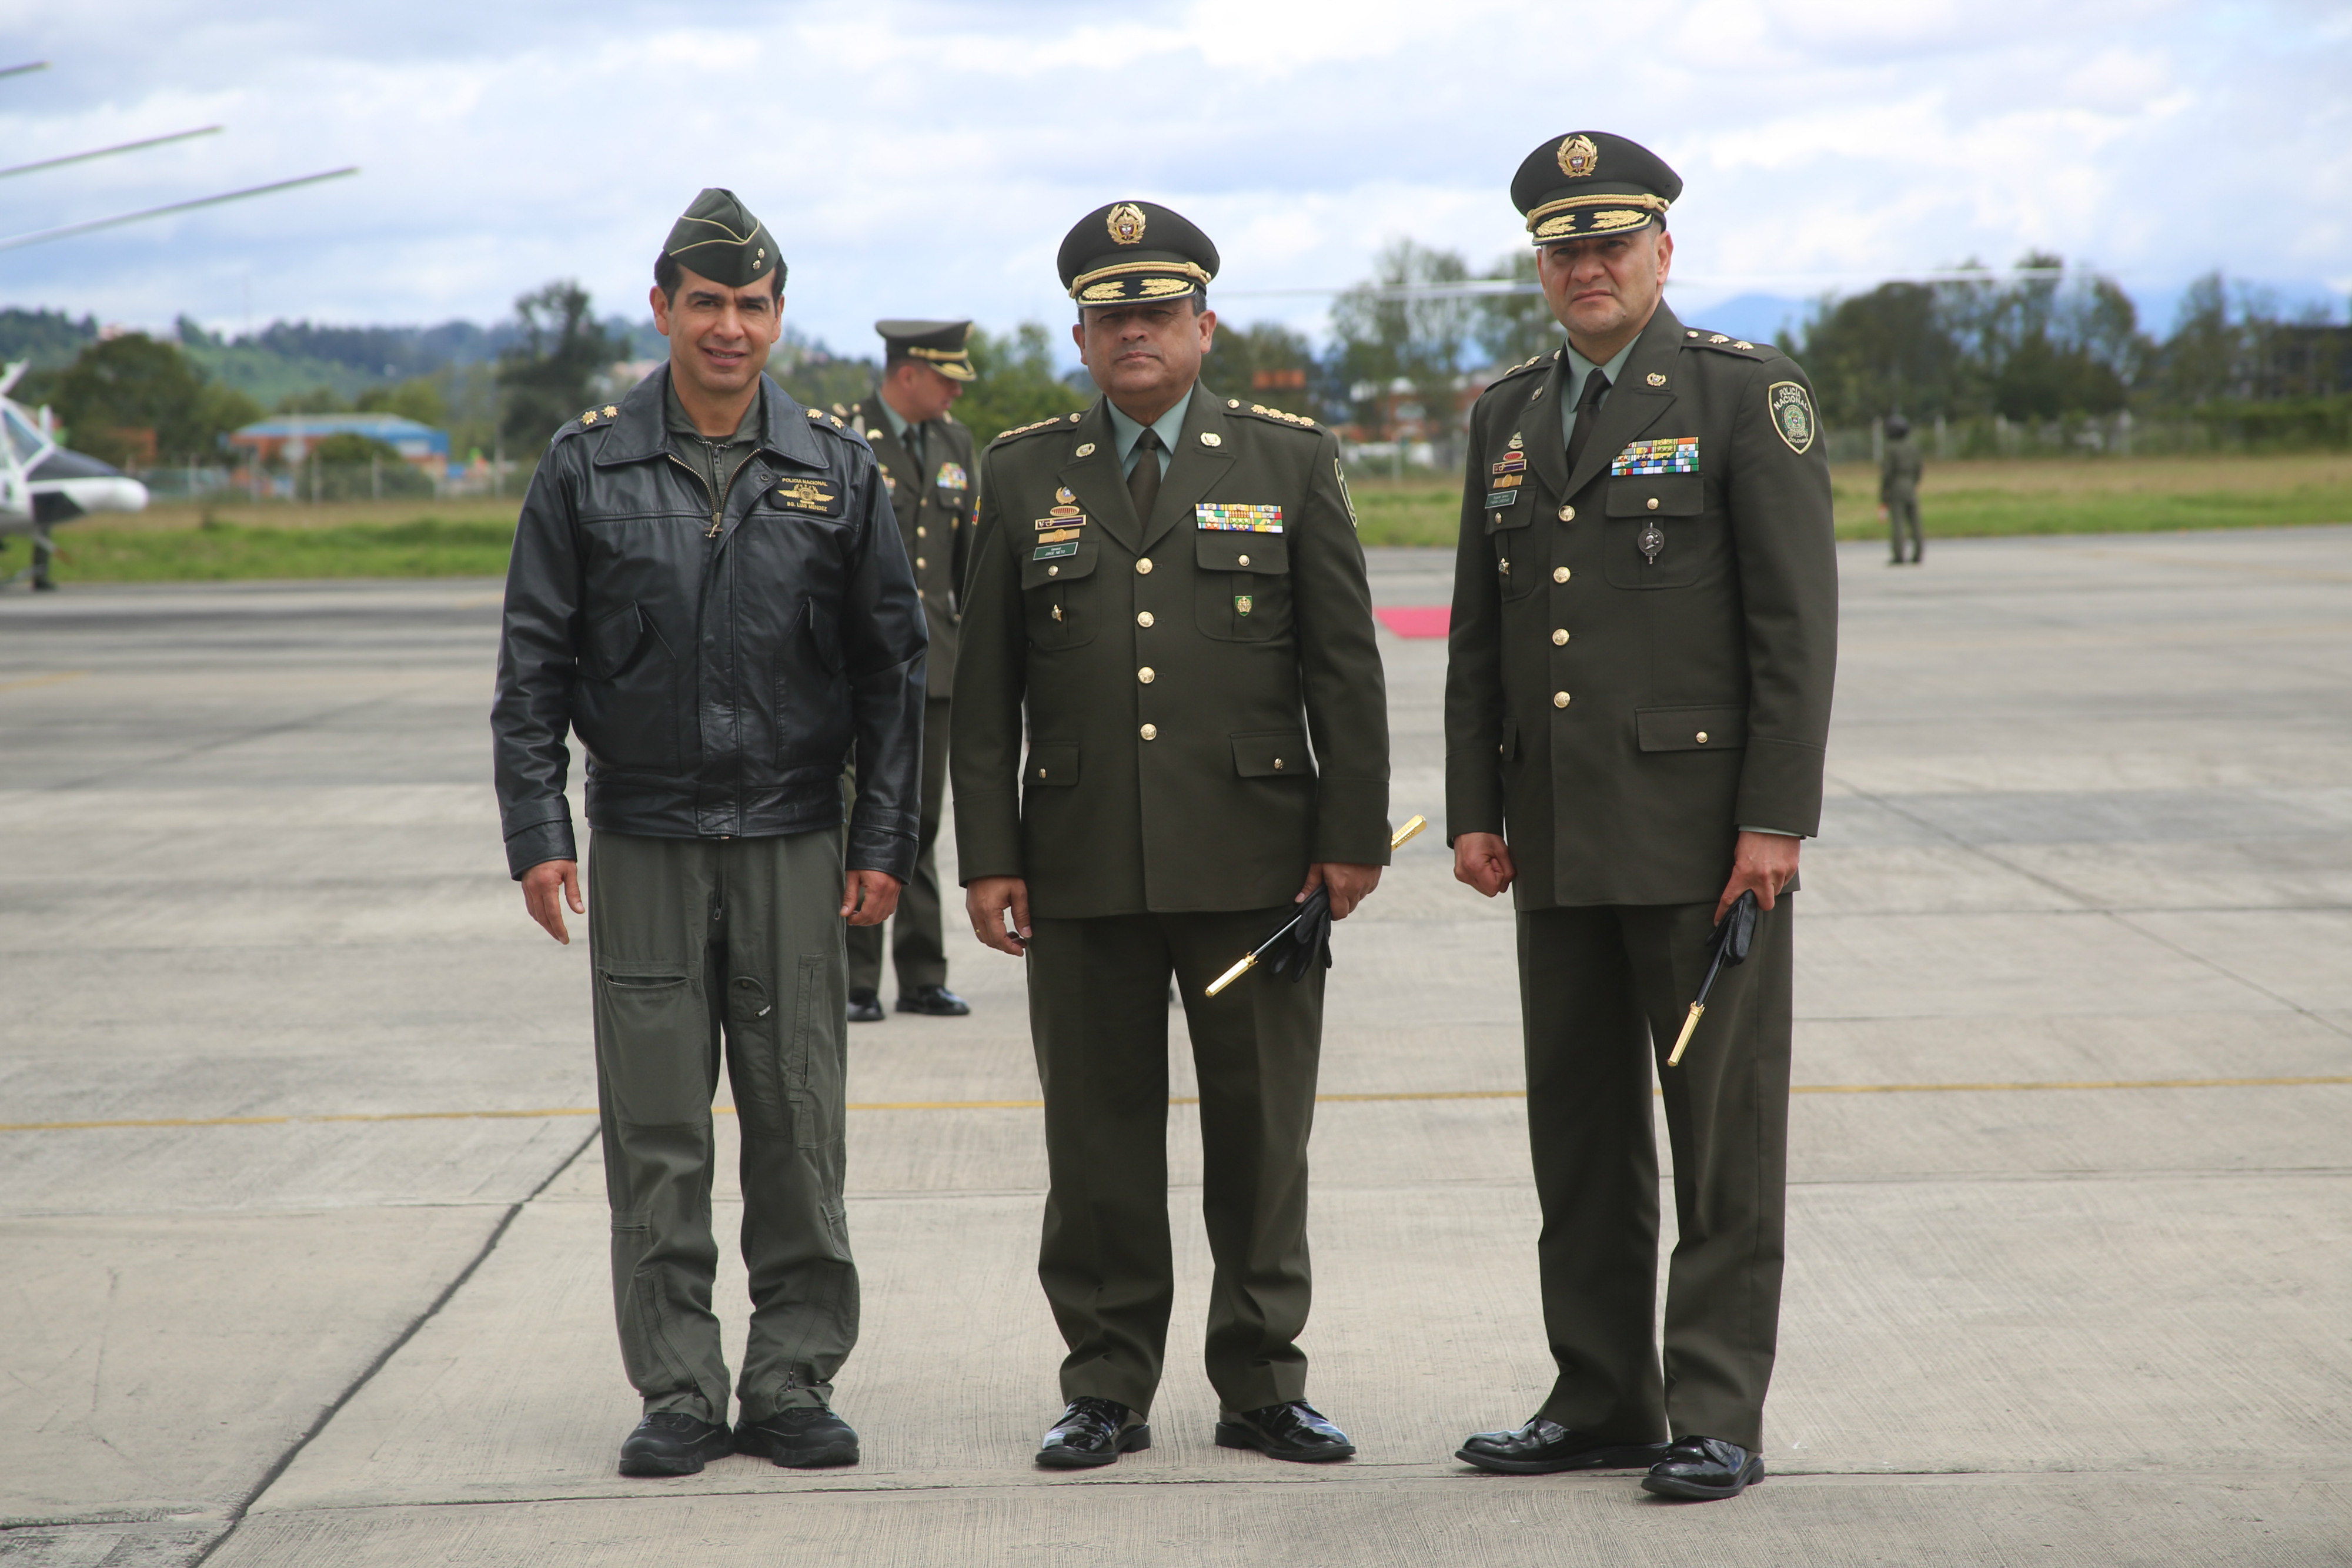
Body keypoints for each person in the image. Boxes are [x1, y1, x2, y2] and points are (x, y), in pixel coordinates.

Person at [491, 188, 927, 1480]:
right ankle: (677, 1386)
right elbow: (533, 666)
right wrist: (537, 827)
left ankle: (792, 1375)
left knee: (797, 1121)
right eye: (706, 302)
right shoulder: (587, 465)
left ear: (778, 317)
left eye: (750, 305)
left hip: (797, 838)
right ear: (663, 307)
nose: (728, 328)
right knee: (658, 1130)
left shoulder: (836, 468)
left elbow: (890, 676)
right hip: (645, 840)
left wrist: (883, 841)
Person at [951, 201, 1392, 1470]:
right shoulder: (1023, 468)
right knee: (1095, 1140)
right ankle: (1104, 1383)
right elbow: (983, 694)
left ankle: (1260, 1382)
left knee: (1260, 1136)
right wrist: (989, 854)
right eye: (1109, 315)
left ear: (1204, 325)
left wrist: (1348, 834)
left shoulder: (1287, 461)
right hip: (1080, 859)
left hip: (1254, 859)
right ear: (1080, 337)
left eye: (1156, 312)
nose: (1132, 332)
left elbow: (1343, 670)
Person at [1442, 133, 1838, 1503]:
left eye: (1611, 243)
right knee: (1581, 1134)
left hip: (1703, 845)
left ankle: (1713, 1409)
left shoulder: (1740, 395)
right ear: (1540, 266)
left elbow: (1794, 628)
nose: (1587, 266)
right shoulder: (1505, 414)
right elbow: (1479, 640)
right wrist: (1474, 811)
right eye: (1563, 247)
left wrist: (1773, 821)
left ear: (1662, 253)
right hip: (1553, 836)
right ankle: (1601, 1394)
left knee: (1719, 1136)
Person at [839, 320, 980, 1022]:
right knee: (864, 819)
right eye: (948, 376)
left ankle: (923, 974)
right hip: (864, 671)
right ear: (908, 374)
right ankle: (855, 982)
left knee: (921, 823)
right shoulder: (844, 437)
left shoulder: (956, 444)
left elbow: (969, 569)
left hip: (940, 668)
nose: (957, 390)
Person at [1881, 414, 1924, 564]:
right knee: (1915, 521)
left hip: (1897, 485)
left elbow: (1887, 473)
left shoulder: (1891, 448)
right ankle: (1919, 553)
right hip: (1910, 484)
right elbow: (1919, 468)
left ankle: (1899, 554)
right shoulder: (1913, 446)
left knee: (1898, 522)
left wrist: (1883, 493)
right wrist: (1914, 483)